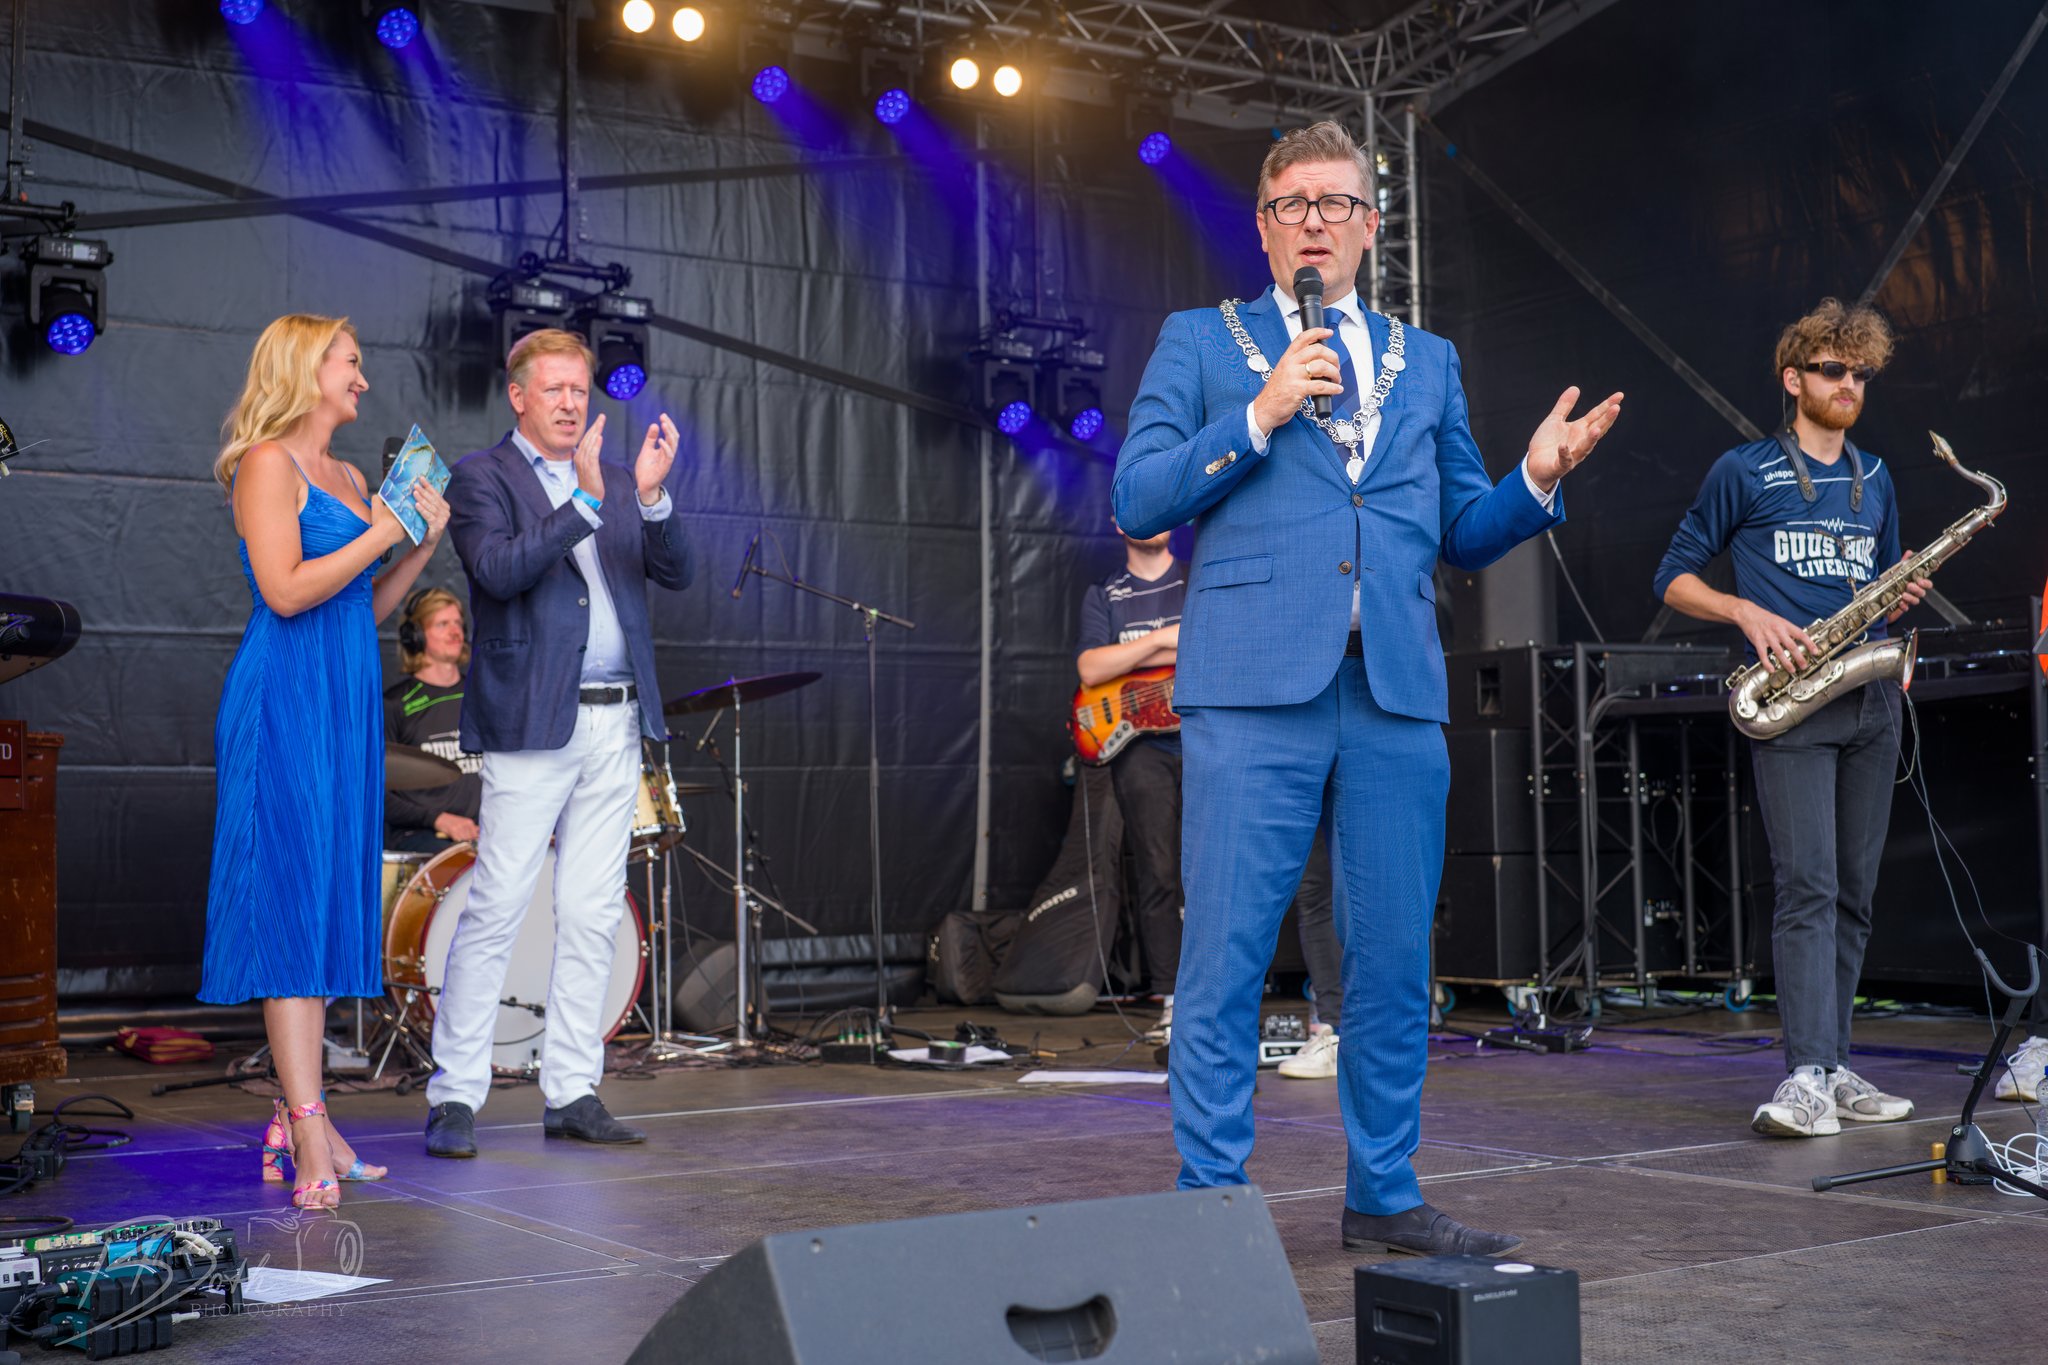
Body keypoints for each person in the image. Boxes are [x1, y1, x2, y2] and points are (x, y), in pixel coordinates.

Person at [1113, 120, 1621, 1257]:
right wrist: (1258, 413)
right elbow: (1137, 498)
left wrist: (1533, 478)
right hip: (1252, 689)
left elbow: (1460, 529)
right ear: (1262, 226)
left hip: (1391, 690)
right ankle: (1209, 1201)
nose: (1314, 222)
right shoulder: (1201, 340)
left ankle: (1382, 1192)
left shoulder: (1425, 360)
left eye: (1336, 203)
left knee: (1392, 958)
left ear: (1370, 227)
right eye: (1292, 203)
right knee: (1227, 953)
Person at [1654, 298, 1930, 1137]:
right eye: (1832, 370)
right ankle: (1806, 1072)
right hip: (1794, 702)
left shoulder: (1877, 476)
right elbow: (1672, 576)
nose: (1849, 385)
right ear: (1793, 379)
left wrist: (1898, 594)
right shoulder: (1743, 470)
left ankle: (1836, 1067)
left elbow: (1876, 587)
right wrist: (1744, 611)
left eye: (1861, 373)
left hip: (1873, 701)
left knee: (1854, 893)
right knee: (1807, 886)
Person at [199, 314, 450, 1208]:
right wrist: (381, 532)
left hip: (342, 698)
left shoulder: (348, 477)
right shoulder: (268, 464)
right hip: (286, 697)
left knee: (324, 902)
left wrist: (417, 542)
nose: (363, 379)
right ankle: (307, 1128)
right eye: (351, 363)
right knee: (288, 908)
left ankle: (306, 1114)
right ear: (307, 369)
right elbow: (285, 590)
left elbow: (358, 604)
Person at [423, 328, 690, 1158]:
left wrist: (649, 497)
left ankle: (572, 1088)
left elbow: (676, 572)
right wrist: (582, 502)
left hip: (616, 720)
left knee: (592, 911)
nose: (573, 403)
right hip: (533, 718)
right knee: (498, 903)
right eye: (556, 389)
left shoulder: (614, 478)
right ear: (519, 396)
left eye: (581, 389)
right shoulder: (482, 476)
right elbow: (498, 571)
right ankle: (454, 1093)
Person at [1074, 522, 1185, 1040]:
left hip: (1205, 739)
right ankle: (1172, 999)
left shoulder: (1196, 578)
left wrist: (1132, 651)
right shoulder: (1105, 594)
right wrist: (1164, 640)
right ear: (1121, 523)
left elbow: (1213, 642)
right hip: (1141, 749)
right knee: (1157, 872)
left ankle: (1221, 996)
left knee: (1215, 871)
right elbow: (1091, 669)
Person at [383, 588, 482, 853]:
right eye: (442, 624)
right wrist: (438, 819)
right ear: (415, 636)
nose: (455, 632)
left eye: (458, 623)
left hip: (486, 832)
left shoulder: (482, 695)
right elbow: (375, 792)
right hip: (423, 837)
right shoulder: (393, 704)